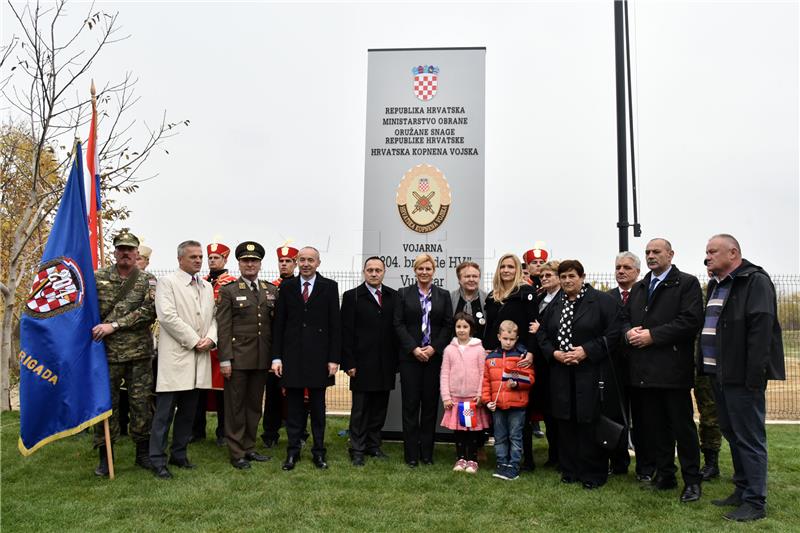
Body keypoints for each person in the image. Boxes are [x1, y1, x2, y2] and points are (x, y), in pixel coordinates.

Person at [701, 234, 785, 522]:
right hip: (718, 375)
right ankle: (741, 489)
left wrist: (754, 377)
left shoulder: (755, 281)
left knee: (749, 439)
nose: (707, 257)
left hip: (742, 378)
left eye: (713, 252)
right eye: (707, 252)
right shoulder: (716, 284)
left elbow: (761, 331)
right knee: (733, 435)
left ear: (733, 253)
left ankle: (755, 501)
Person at [622, 239, 704, 503]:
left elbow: (690, 321)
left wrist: (653, 336)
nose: (650, 256)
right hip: (644, 372)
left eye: (656, 251)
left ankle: (692, 481)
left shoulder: (687, 283)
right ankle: (665, 475)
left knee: (682, 428)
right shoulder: (641, 286)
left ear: (670, 254)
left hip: (673, 372)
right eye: (647, 252)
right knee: (656, 428)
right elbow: (623, 316)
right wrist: (628, 331)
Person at [536, 260, 621, 489]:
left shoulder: (602, 302)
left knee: (588, 421)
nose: (567, 281)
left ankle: (592, 472)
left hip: (591, 372)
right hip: (562, 372)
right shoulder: (556, 304)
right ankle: (570, 469)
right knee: (565, 420)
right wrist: (554, 353)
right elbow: (542, 334)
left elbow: (613, 334)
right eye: (563, 277)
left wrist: (586, 351)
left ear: (582, 277)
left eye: (571, 276)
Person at [91, 230, 157, 476]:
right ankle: (105, 455)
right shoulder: (97, 278)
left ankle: (143, 454)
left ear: (137, 253)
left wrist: (114, 325)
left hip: (138, 353)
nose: (126, 253)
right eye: (121, 249)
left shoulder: (147, 280)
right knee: (106, 405)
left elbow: (149, 311)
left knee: (141, 403)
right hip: (105, 354)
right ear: (115, 252)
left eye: (130, 250)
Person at [150, 240, 217, 479]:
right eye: (193, 257)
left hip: (199, 358)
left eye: (200, 257)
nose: (199, 260)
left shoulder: (207, 286)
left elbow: (213, 319)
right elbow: (167, 316)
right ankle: (157, 458)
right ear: (180, 259)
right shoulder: (167, 283)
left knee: (188, 412)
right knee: (165, 413)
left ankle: (179, 454)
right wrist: (193, 340)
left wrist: (210, 338)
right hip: (177, 357)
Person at [272, 246, 341, 471]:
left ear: (318, 263)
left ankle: (319, 452)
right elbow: (279, 324)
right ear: (297, 262)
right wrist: (276, 358)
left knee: (318, 409)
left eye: (310, 260)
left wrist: (333, 358)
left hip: (319, 359)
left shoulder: (329, 287)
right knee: (293, 409)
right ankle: (292, 452)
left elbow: (334, 326)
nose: (306, 264)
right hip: (292, 357)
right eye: (302, 260)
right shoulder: (288, 287)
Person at [216, 241, 277, 469]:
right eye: (245, 260)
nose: (250, 264)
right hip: (238, 359)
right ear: (239, 264)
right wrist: (224, 359)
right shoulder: (229, 290)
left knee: (253, 406)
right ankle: (236, 452)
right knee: (235, 407)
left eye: (254, 260)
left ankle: (249, 447)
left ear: (260, 264)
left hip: (261, 359)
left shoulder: (270, 290)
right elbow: (223, 328)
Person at [394, 253, 454, 467]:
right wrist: (413, 348)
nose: (424, 272)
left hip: (433, 359)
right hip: (410, 359)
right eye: (420, 268)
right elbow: (398, 324)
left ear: (433, 271)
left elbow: (448, 325)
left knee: (430, 407)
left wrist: (433, 348)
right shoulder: (403, 294)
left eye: (428, 268)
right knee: (410, 406)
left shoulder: (443, 295)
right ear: (415, 270)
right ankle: (411, 454)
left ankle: (427, 453)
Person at [341, 257, 398, 466]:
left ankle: (373, 445)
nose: (374, 274)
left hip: (386, 364)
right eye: (370, 270)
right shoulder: (352, 296)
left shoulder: (393, 296)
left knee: (379, 408)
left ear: (384, 272)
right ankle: (357, 448)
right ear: (364, 272)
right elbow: (345, 332)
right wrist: (349, 363)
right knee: (360, 409)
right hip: (361, 364)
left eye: (378, 270)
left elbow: (396, 330)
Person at [483, 253, 537, 470]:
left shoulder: (525, 292)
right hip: (496, 356)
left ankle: (527, 459)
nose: (506, 270)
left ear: (517, 270)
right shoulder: (492, 296)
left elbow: (534, 325)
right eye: (502, 266)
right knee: (499, 406)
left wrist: (531, 352)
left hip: (519, 356)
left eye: (510, 267)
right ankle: (503, 457)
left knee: (519, 406)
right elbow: (489, 327)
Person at [192, 242, 237, 446]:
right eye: (210, 257)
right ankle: (197, 430)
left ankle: (223, 432)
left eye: (216, 257)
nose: (212, 260)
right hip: (200, 343)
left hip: (220, 344)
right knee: (198, 390)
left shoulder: (230, 282)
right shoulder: (200, 282)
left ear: (225, 260)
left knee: (222, 394)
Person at [604, 251, 641, 478]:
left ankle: (646, 464)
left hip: (640, 366)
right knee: (614, 415)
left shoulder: (645, 295)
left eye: (627, 267)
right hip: (612, 368)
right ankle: (618, 463)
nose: (621, 271)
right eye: (618, 267)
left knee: (642, 417)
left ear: (637, 271)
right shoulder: (606, 298)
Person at [482, 320, 534, 481]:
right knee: (500, 436)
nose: (508, 342)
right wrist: (486, 400)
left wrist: (517, 383)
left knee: (515, 436)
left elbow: (530, 378)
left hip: (517, 405)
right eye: (505, 338)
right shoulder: (490, 358)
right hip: (497, 406)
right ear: (499, 337)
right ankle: (502, 463)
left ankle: (514, 465)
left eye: (511, 339)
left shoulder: (522, 356)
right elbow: (485, 382)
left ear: (516, 338)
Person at [440, 312, 489, 474]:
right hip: (455, 399)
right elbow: (445, 374)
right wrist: (446, 397)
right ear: (454, 329)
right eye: (458, 327)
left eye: (465, 327)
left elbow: (483, 373)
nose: (461, 330)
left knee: (472, 431)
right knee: (460, 431)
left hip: (472, 399)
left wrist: (481, 393)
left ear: (471, 329)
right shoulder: (449, 350)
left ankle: (473, 460)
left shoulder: (478, 349)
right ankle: (460, 459)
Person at [261, 244, 299, 448]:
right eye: (281, 261)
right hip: (273, 347)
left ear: (295, 264)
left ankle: (299, 433)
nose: (284, 265)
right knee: (273, 394)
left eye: (288, 261)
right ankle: (270, 433)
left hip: (294, 348)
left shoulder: (300, 286)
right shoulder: (269, 287)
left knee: (299, 395)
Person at [530, 259, 561, 468]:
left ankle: (559, 454)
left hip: (555, 361)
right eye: (542, 276)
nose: (544, 278)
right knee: (545, 411)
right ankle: (553, 454)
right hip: (538, 360)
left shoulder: (563, 299)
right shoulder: (540, 297)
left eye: (549, 275)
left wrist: (540, 328)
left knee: (555, 410)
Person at [695, 262, 723, 481]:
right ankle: (709, 462)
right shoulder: (707, 290)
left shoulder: (722, 291)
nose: (709, 266)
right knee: (707, 413)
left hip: (715, 363)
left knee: (713, 414)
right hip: (697, 362)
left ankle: (712, 462)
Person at [450, 261, 487, 339]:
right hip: (455, 349)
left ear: (479, 278)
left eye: (475, 276)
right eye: (467, 276)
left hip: (481, 349)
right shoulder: (450, 298)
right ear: (459, 279)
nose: (471, 279)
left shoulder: (487, 299)